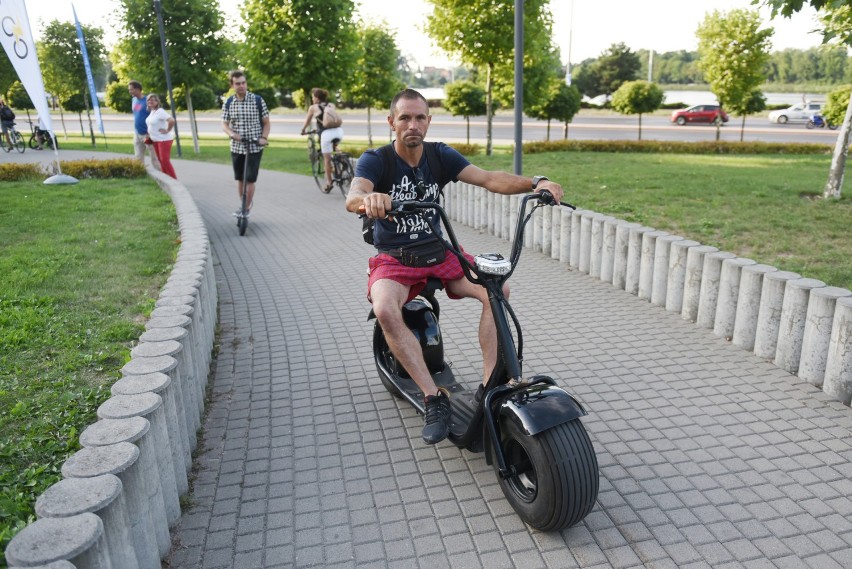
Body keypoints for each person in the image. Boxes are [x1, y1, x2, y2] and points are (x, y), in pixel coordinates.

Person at [345, 88, 563, 445]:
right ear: (391, 122)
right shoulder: (377, 159)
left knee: (498, 290)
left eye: (419, 117)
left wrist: (536, 182)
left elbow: (489, 178)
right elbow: (353, 195)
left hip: (440, 251)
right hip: (395, 259)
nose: (412, 124)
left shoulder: (440, 155)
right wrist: (368, 199)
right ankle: (434, 398)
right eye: (404, 118)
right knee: (385, 308)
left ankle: (490, 385)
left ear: (428, 122)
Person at [222, 70, 270, 217]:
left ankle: (246, 208)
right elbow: (224, 124)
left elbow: (266, 123)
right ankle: (243, 205)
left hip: (255, 146)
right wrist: (232, 134)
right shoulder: (229, 102)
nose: (241, 86)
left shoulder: (257, 100)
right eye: (238, 84)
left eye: (243, 83)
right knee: (240, 178)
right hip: (237, 147)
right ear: (232, 85)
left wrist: (263, 137)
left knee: (249, 178)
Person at [300, 88, 344, 192]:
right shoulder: (331, 105)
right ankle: (342, 160)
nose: (312, 99)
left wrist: (303, 130)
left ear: (317, 98)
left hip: (326, 134)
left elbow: (308, 121)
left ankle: (329, 182)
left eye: (313, 97)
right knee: (334, 146)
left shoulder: (313, 108)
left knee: (327, 159)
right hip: (339, 131)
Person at [128, 81, 161, 171]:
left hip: (148, 134)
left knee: (154, 158)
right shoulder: (134, 100)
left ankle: (164, 177)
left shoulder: (148, 101)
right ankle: (141, 175)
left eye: (131, 89)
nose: (130, 91)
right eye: (129, 90)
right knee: (138, 157)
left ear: (138, 89)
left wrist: (150, 132)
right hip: (137, 133)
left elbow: (155, 117)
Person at [145, 94, 177, 179]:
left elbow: (171, 120)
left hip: (164, 140)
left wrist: (168, 130)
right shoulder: (152, 112)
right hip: (155, 140)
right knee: (160, 160)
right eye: (148, 100)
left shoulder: (160, 111)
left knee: (165, 160)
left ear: (157, 102)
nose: (150, 101)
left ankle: (174, 179)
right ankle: (167, 178)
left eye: (152, 100)